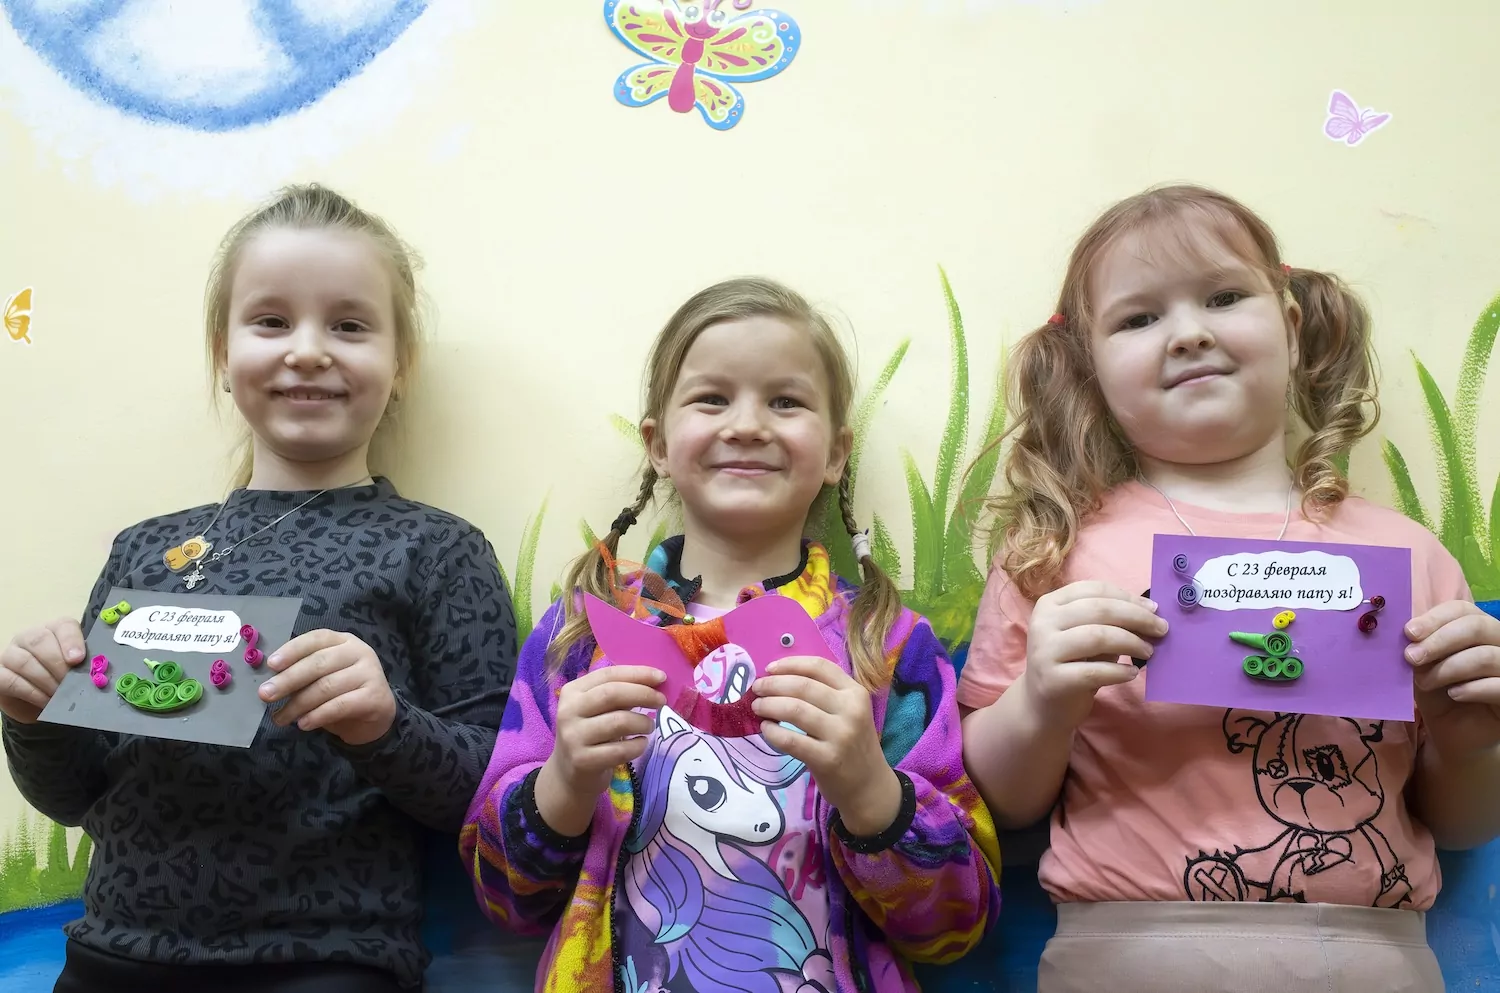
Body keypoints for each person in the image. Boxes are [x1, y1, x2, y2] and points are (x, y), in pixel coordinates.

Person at [958, 183, 1500, 992]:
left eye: (1223, 297)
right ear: (1089, 365)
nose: (1189, 332)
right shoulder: (1052, 553)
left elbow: (1463, 826)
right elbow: (999, 805)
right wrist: (1041, 702)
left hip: (1370, 959)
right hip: (1124, 958)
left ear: (1291, 326)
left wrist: (1471, 741)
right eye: (1139, 318)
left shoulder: (1410, 557)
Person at [0, 183, 518, 993]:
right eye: (271, 321)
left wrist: (385, 724)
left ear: (400, 364)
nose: (307, 350)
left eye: (349, 325)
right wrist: (32, 715)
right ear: (222, 353)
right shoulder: (146, 550)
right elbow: (77, 795)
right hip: (111, 959)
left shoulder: (438, 549)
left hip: (327, 965)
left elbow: (494, 798)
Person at [461, 277, 1001, 992]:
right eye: (712, 398)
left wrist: (871, 790)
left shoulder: (888, 644)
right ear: (658, 445)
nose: (747, 425)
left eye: (786, 401)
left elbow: (958, 925)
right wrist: (563, 782)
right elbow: (504, 900)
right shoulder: (580, 636)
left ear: (836, 453)